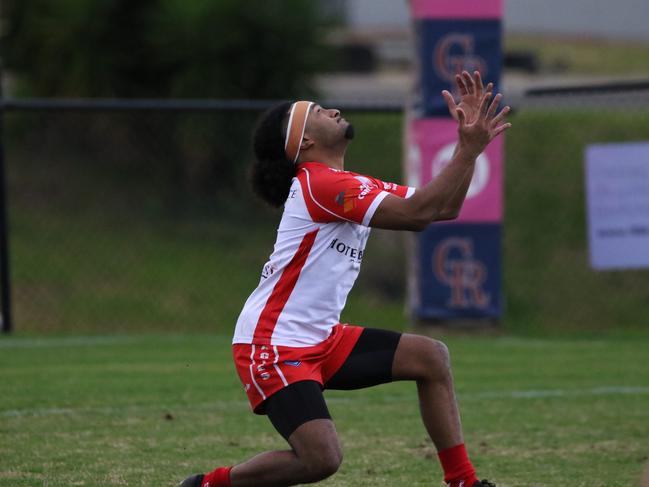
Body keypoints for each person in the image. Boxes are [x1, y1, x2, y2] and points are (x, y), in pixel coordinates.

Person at [180, 70, 511, 487]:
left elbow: (441, 210)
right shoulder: (319, 184)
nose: (333, 110)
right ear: (304, 142)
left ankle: (463, 482)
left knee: (430, 357)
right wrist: (466, 149)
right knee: (321, 459)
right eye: (318, 111)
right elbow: (418, 212)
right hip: (275, 345)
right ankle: (208, 485)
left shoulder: (349, 184)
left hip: (322, 339)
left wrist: (470, 149)